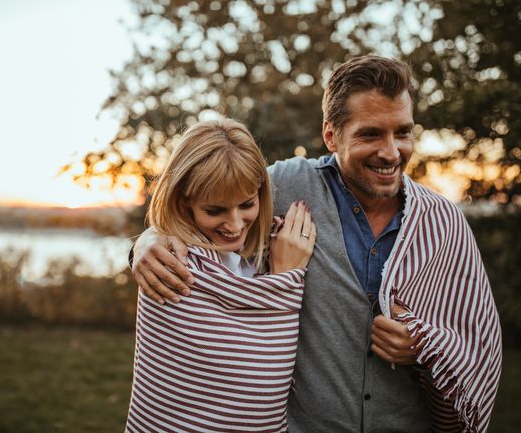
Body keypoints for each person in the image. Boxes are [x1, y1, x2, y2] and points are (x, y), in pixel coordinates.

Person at [131, 55, 502, 432]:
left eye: (403, 133)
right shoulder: (282, 187)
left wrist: (423, 346)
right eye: (371, 134)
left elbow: (478, 341)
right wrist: (150, 239)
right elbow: (209, 198)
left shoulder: (442, 222)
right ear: (331, 135)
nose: (391, 152)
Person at [125, 118, 316, 432]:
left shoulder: (270, 248)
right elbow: (259, 381)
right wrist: (285, 280)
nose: (235, 224)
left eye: (246, 204)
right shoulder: (172, 263)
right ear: (184, 202)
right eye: (215, 210)